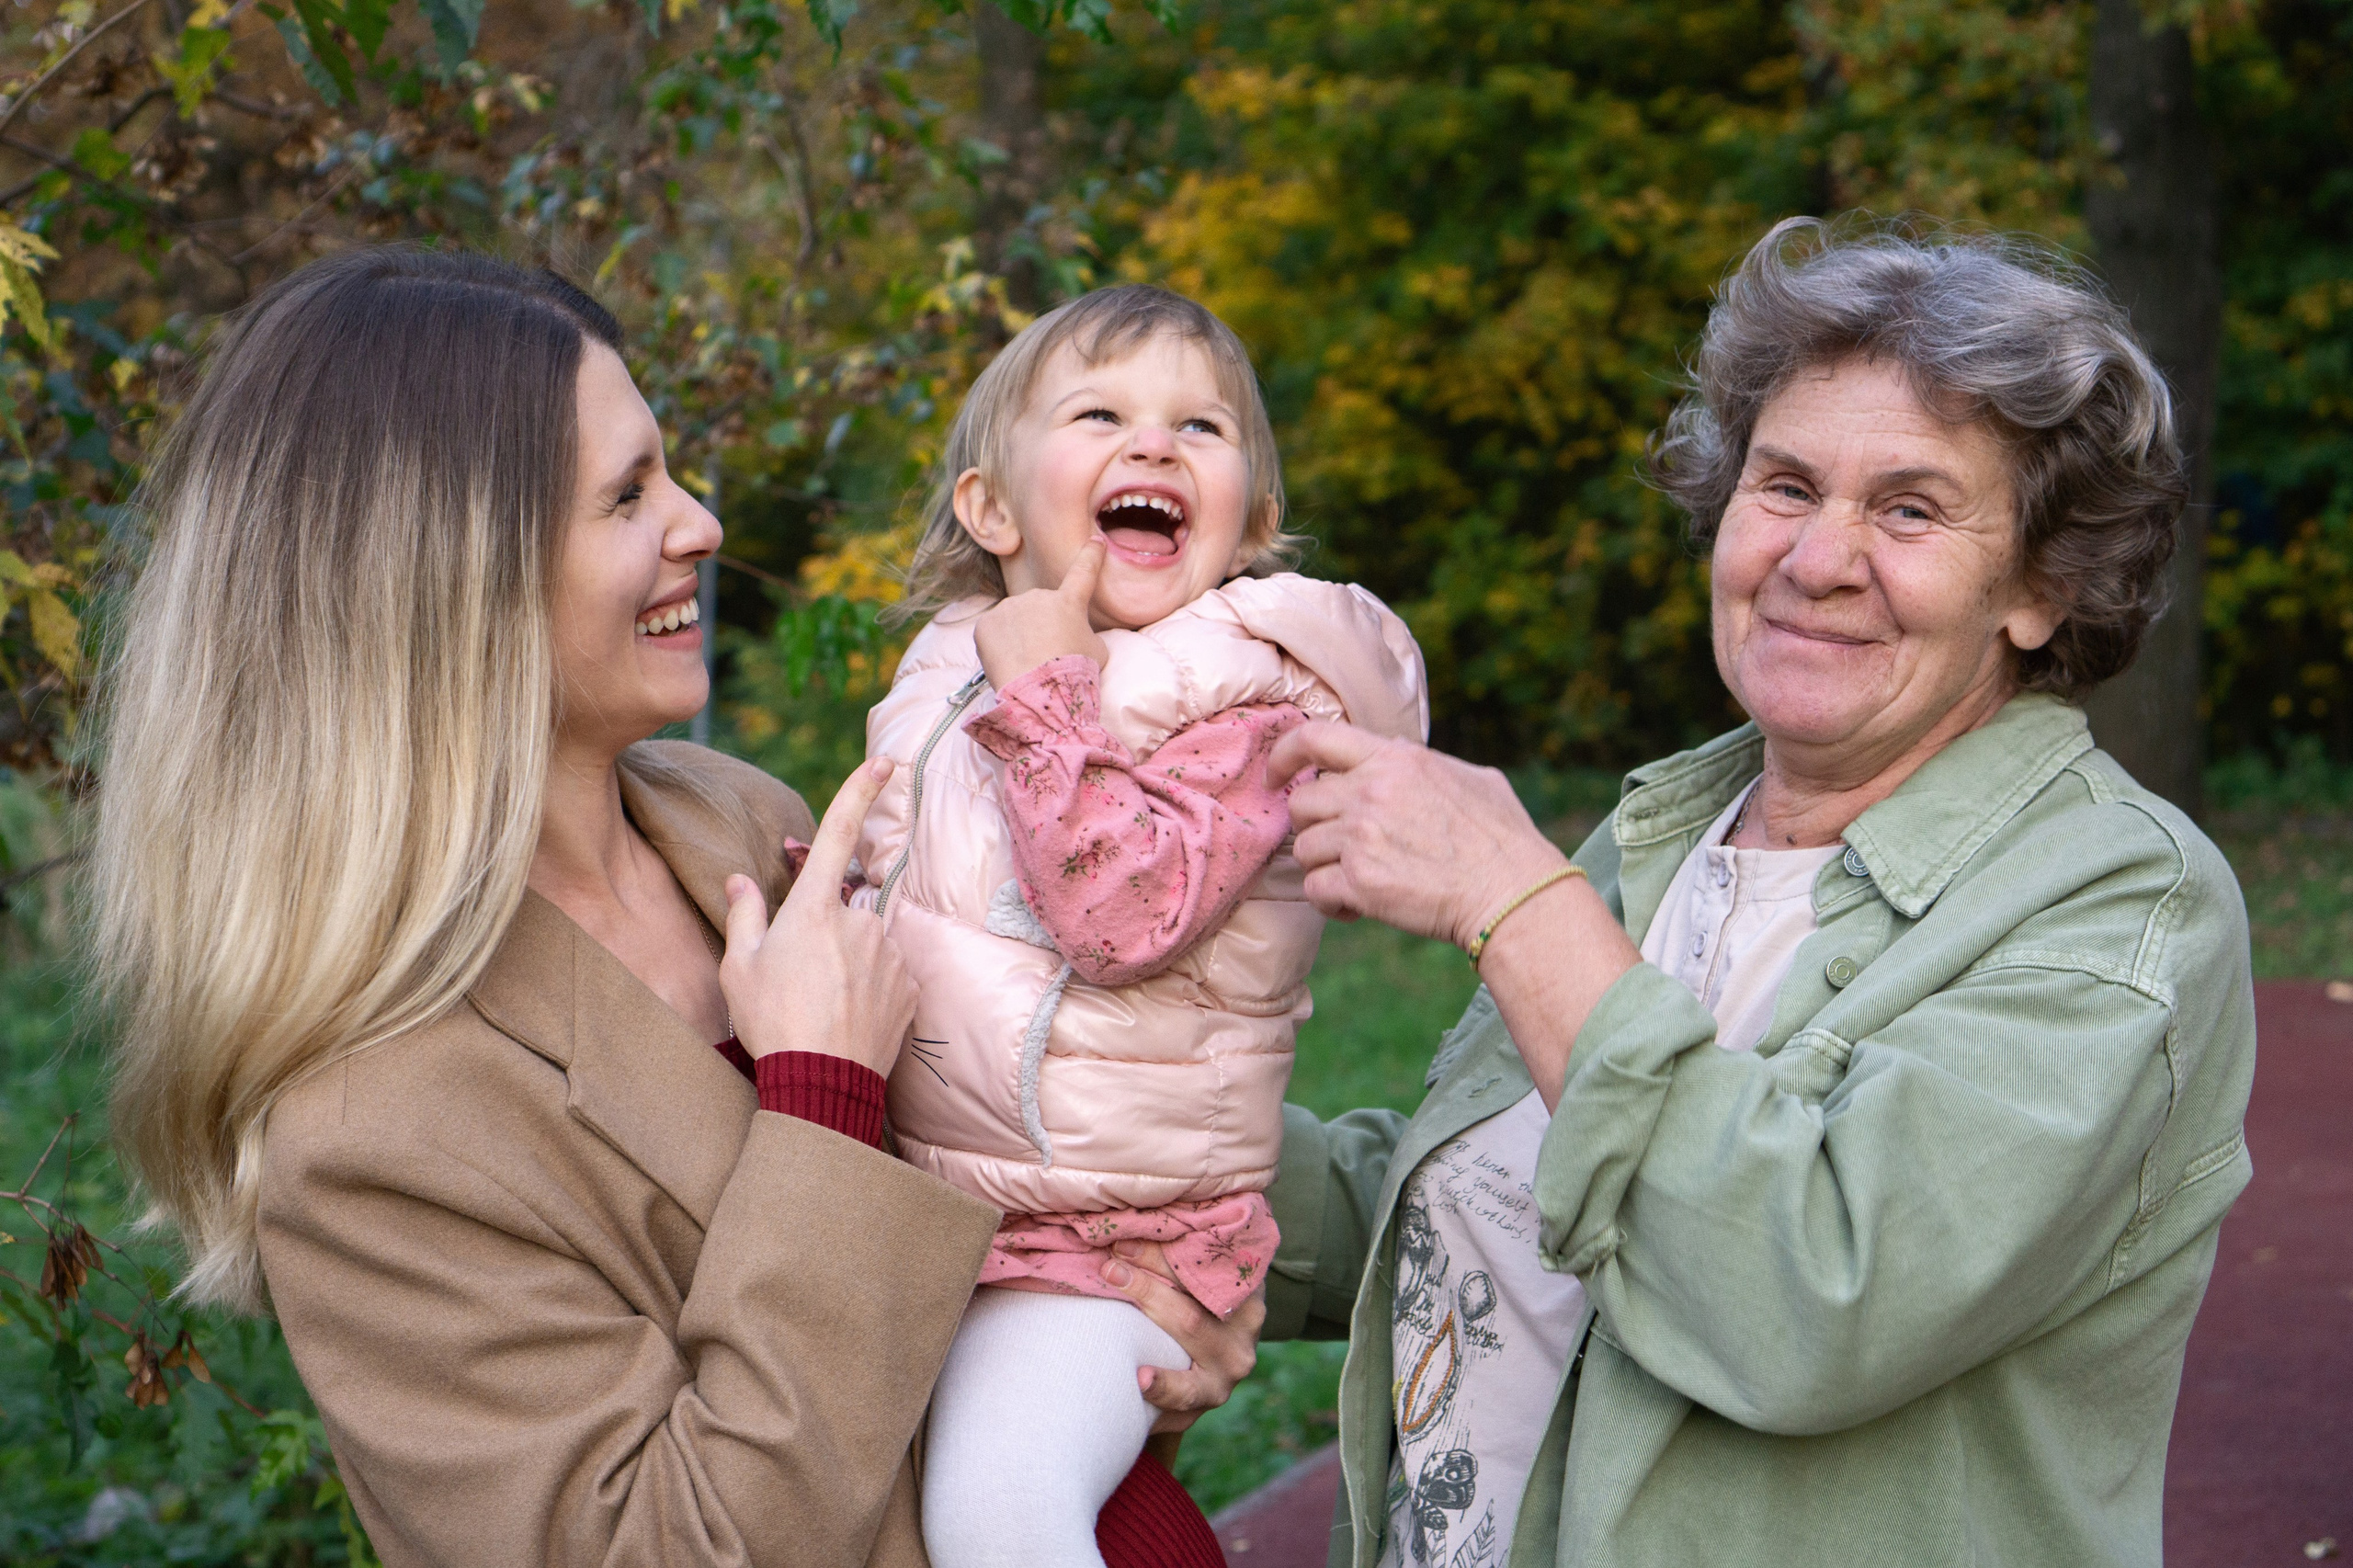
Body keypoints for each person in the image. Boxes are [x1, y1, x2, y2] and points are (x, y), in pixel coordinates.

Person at [91, 248, 1256, 1567]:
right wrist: (818, 1092)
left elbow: (1026, 1133)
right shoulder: (374, 1133)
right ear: (447, 583)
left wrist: (1138, 1304)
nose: (699, 524)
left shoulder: (738, 818)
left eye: (671, 472)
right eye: (628, 495)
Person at [1258, 218, 2257, 1568]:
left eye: (1908, 508)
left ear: (2040, 583)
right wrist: (1092, 1149)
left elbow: (1814, 1291)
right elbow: (1518, 1197)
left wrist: (1516, 899)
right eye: (1784, 485)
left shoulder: (2123, 907)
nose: (1818, 555)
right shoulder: (1675, 827)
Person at [855, 284, 1427, 1568]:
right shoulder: (952, 665)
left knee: (999, 1514)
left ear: (1255, 525)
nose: (1156, 445)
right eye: (1102, 413)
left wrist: (1050, 692)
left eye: (1201, 427)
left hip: (1114, 1242)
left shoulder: (1242, 702)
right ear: (991, 510)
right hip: (951, 1209)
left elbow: (1123, 914)